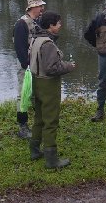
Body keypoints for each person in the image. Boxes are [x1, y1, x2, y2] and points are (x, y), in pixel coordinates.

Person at [28, 11, 76, 168]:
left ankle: (34, 150)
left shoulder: (36, 38)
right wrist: (68, 66)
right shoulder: (48, 44)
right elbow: (51, 68)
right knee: (51, 121)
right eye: (58, 23)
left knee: (39, 118)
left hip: (36, 82)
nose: (60, 25)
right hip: (48, 85)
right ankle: (51, 160)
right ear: (50, 26)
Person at [12, 0, 46, 139]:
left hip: (38, 65)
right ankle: (22, 127)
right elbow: (19, 47)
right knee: (23, 95)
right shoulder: (21, 24)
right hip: (25, 67)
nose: (42, 8)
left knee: (37, 94)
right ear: (33, 7)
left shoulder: (37, 22)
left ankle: (40, 122)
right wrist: (26, 66)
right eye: (40, 6)